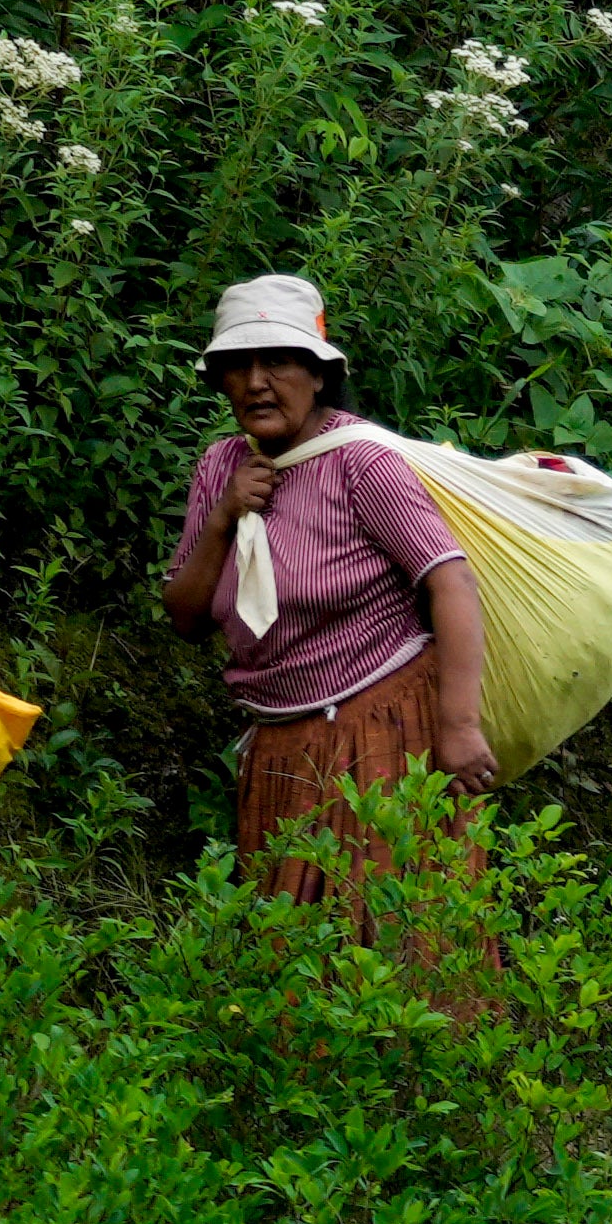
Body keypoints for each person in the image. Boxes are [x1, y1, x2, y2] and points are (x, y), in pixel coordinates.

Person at [159, 272, 493, 945]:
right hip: (280, 746)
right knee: (297, 953)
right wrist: (224, 514)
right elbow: (186, 616)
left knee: (394, 940)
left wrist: (458, 728)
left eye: (277, 361)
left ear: (318, 375)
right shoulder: (220, 465)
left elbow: (451, 582)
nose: (256, 382)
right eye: (237, 366)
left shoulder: (360, 463)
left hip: (386, 734)